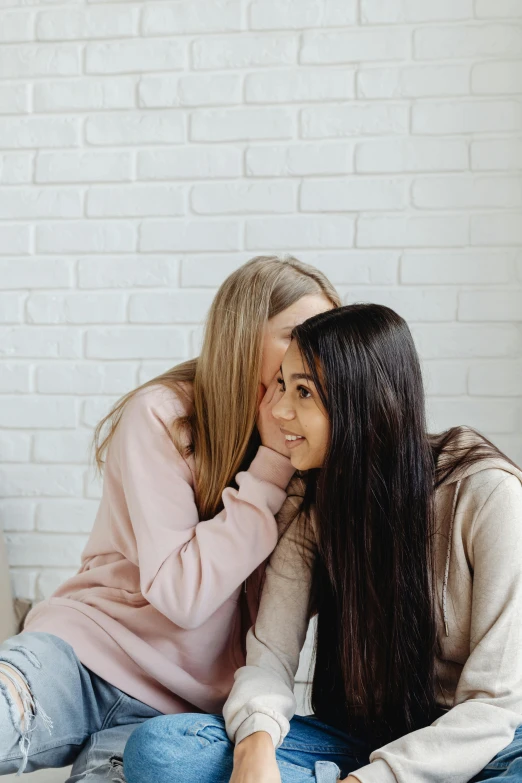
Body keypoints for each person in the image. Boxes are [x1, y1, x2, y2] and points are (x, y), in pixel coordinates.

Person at [124, 304, 522, 783]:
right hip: (360, 738)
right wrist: (255, 754)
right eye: (281, 387)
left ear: (365, 399)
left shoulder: (487, 494)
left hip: (482, 746)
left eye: (304, 391)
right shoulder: (313, 502)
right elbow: (269, 657)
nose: (277, 411)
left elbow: (495, 707)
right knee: (163, 750)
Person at [0, 256, 340, 781]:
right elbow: (182, 596)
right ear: (245, 335)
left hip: (179, 717)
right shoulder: (163, 414)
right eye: (300, 333)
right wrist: (269, 469)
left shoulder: (309, 454)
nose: (315, 352)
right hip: (81, 658)